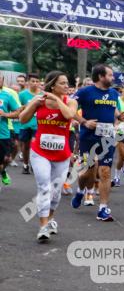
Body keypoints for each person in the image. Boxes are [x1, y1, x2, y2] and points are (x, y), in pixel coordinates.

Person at [19, 71, 78, 241]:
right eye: (63, 83)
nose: (66, 86)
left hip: (62, 154)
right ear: (53, 85)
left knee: (56, 192)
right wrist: (33, 104)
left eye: (67, 83)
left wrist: (57, 99)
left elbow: (68, 115)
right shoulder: (39, 101)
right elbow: (22, 120)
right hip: (40, 152)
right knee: (44, 187)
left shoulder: (71, 101)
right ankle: (43, 226)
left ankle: (50, 218)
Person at [71, 64, 124, 221]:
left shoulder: (114, 93)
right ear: (101, 76)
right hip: (88, 138)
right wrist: (84, 121)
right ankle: (81, 191)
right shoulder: (84, 92)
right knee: (87, 172)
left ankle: (103, 208)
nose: (113, 77)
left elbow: (113, 109)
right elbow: (69, 109)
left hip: (107, 138)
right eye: (110, 75)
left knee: (105, 172)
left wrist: (120, 116)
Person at [16, 73, 40, 175]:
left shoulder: (43, 94)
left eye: (37, 81)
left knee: (35, 145)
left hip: (38, 124)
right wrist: (25, 107)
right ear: (28, 82)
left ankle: (35, 165)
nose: (35, 83)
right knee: (26, 146)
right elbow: (18, 109)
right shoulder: (22, 95)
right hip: (25, 124)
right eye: (33, 81)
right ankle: (26, 165)